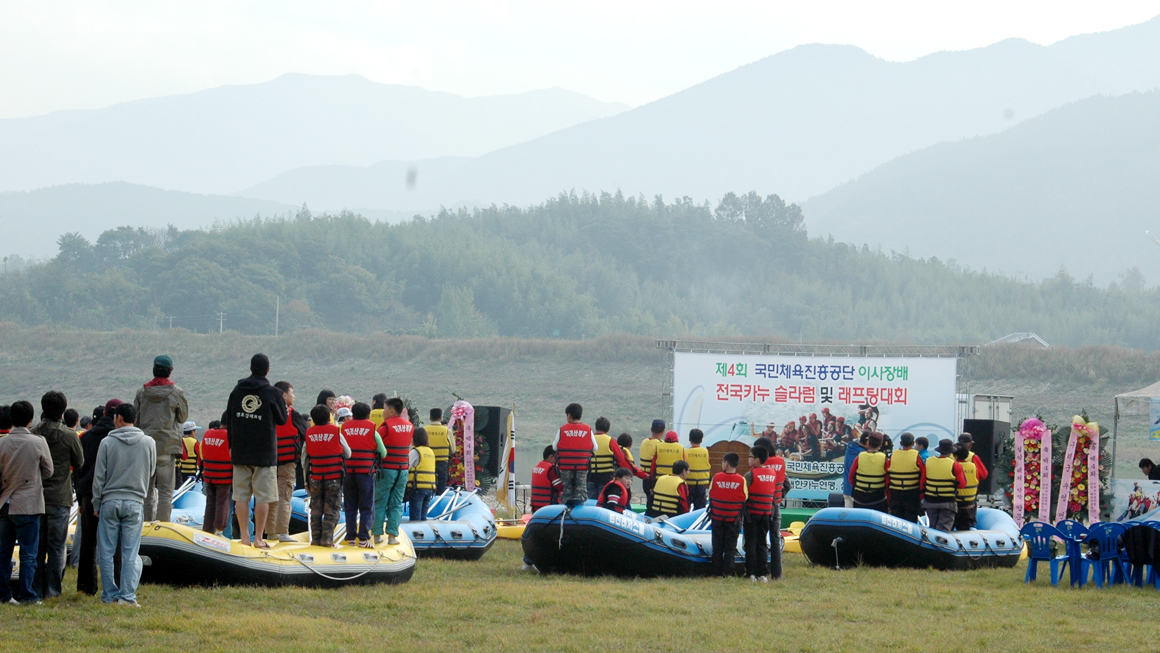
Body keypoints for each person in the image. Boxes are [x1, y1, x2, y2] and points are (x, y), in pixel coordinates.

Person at [92, 403, 156, 606]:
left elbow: (99, 476)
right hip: (135, 501)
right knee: (130, 551)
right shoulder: (148, 442)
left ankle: (109, 595)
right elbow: (151, 470)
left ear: (118, 418)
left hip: (109, 501)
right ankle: (127, 596)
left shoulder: (106, 443)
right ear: (135, 420)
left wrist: (96, 503)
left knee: (107, 551)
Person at [223, 353, 289, 549]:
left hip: (240, 450)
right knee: (263, 497)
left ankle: (244, 537)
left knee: (241, 496)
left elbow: (230, 421)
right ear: (267, 370)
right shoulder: (273, 392)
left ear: (251, 368)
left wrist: (230, 447)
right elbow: (282, 420)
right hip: (264, 453)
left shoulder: (237, 390)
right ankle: (258, 539)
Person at [30, 390, 83, 600]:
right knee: (57, 548)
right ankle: (53, 591)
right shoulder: (70, 436)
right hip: (60, 498)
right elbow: (79, 463)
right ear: (63, 411)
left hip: (35, 497)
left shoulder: (33, 433)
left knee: (37, 547)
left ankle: (35, 589)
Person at [0, 400, 54, 604]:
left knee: (3, 552)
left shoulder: (2, 443)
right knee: (29, 553)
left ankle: (4, 594)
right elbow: (49, 471)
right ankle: (27, 594)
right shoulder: (38, 442)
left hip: (5, 504)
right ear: (31, 419)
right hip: (29, 504)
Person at [133, 354, 189, 523]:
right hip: (167, 448)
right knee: (165, 492)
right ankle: (162, 527)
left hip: (145, 447)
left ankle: (146, 525)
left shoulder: (142, 391)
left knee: (147, 492)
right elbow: (182, 418)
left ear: (154, 370)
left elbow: (136, 419)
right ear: (170, 371)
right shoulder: (177, 392)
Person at [73, 400, 121, 595]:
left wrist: (80, 495)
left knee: (88, 542)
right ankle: (117, 584)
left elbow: (78, 469)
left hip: (88, 493)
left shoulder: (86, 437)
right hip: (112, 493)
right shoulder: (118, 438)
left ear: (103, 415)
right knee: (116, 542)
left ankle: (87, 585)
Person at [304, 404, 350, 547]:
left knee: (316, 510)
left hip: (315, 478)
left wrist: (306, 482)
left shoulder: (309, 434)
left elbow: (304, 460)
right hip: (334, 478)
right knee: (332, 509)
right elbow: (348, 453)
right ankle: (327, 541)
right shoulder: (336, 432)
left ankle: (315, 541)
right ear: (328, 417)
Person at [268, 380, 308, 542]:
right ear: (284, 396)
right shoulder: (293, 414)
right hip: (287, 463)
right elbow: (306, 435)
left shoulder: (267, 414)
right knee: (284, 497)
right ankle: (283, 533)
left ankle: (270, 533)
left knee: (270, 496)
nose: (294, 396)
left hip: (268, 462)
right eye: (292, 393)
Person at [341, 402, 384, 546]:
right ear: (368, 415)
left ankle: (351, 537)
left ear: (352, 414)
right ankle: (364, 538)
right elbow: (383, 453)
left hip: (347, 472)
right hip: (365, 473)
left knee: (350, 505)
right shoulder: (372, 429)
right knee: (366, 506)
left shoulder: (344, 428)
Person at [375, 397, 413, 545]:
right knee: (396, 503)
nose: (383, 413)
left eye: (384, 409)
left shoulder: (385, 427)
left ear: (391, 411)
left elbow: (377, 445)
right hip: (403, 470)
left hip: (386, 470)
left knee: (379, 502)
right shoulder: (410, 426)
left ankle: (377, 535)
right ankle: (392, 536)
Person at [743, 446, 781, 582]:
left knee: (751, 544)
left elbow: (743, 493)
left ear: (757, 459)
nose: (748, 459)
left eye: (750, 457)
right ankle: (762, 574)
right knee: (762, 543)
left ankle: (751, 573)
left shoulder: (750, 475)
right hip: (766, 513)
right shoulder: (772, 473)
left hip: (752, 514)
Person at [708, 452, 747, 577]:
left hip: (717, 519)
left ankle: (715, 572)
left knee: (717, 547)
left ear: (726, 463)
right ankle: (728, 572)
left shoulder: (716, 477)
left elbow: (710, 494)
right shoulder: (742, 480)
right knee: (730, 548)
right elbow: (745, 498)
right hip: (733, 520)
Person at [552, 403, 596, 507]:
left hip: (566, 468)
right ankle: (579, 513)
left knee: (567, 492)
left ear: (569, 415)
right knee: (580, 492)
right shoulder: (587, 429)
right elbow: (595, 447)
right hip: (582, 468)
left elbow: (554, 447)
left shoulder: (562, 429)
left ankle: (565, 514)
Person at [923, 439, 966, 532]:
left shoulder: (929, 462)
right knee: (943, 529)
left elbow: (923, 481)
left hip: (930, 501)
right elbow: (962, 484)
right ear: (951, 452)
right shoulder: (955, 465)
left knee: (932, 528)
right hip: (948, 502)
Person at [199, 418, 233, 535]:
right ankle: (219, 530)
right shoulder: (229, 435)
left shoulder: (208, 433)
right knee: (222, 502)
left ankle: (207, 530)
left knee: (210, 503)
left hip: (209, 476)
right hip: (224, 476)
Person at [887, 432, 925, 523]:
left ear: (901, 443)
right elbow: (923, 473)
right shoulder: (916, 455)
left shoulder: (893, 455)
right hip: (911, 493)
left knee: (896, 520)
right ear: (913, 443)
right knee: (911, 520)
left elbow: (887, 475)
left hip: (895, 493)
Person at [848, 433, 888, 513]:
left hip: (860, 498)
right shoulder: (884, 458)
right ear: (880, 444)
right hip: (878, 498)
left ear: (868, 443)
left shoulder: (859, 457)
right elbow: (888, 479)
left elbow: (851, 477)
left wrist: (859, 487)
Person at [408, 427, 437, 523]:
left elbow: (406, 467)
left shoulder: (415, 452)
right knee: (423, 518)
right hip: (429, 489)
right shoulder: (430, 452)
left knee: (415, 519)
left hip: (417, 489)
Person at [425, 408, 455, 493]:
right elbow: (453, 449)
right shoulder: (446, 431)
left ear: (430, 417)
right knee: (441, 484)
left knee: (428, 483)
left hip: (427, 461)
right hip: (442, 462)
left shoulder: (425, 430)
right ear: (441, 418)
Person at [587, 417, 618, 499]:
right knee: (603, 502)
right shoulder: (611, 441)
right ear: (608, 429)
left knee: (591, 503)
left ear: (596, 427)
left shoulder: (588, 440)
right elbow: (621, 459)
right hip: (606, 477)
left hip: (590, 476)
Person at [953, 445, 979, 531]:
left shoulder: (953, 466)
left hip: (955, 503)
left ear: (955, 455)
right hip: (969, 503)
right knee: (965, 528)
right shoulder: (973, 466)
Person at [685, 429, 712, 510]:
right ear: (701, 440)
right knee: (700, 509)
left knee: (686, 507)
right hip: (702, 484)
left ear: (689, 439)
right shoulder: (705, 452)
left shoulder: (685, 452)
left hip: (689, 484)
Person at [530, 446, 562, 512]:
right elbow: (560, 487)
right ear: (552, 456)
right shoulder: (551, 469)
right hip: (548, 507)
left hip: (535, 506)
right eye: (558, 457)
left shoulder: (537, 467)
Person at [841, 431, 867, 508]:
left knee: (849, 517)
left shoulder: (850, 448)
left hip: (847, 489)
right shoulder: (863, 454)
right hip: (857, 491)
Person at [640, 420, 664, 498]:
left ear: (651, 429)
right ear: (663, 431)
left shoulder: (644, 442)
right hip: (655, 479)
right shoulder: (661, 445)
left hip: (644, 478)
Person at [176, 421, 200, 486]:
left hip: (180, 472)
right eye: (195, 431)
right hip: (191, 473)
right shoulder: (195, 442)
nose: (195, 433)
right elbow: (200, 457)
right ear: (192, 432)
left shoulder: (179, 441)